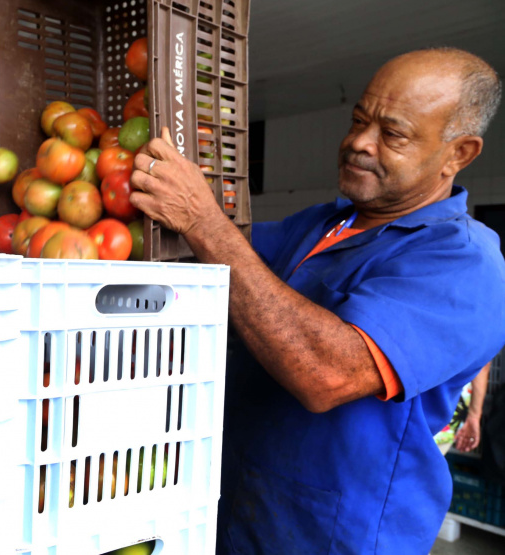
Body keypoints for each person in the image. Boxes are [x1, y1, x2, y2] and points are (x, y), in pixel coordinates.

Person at [129, 48, 505, 553]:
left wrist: (203, 220)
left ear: (459, 153)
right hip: (234, 509)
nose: (359, 143)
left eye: (392, 134)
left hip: (333, 535)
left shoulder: (465, 263)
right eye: (359, 121)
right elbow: (207, 264)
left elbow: (325, 374)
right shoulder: (320, 224)